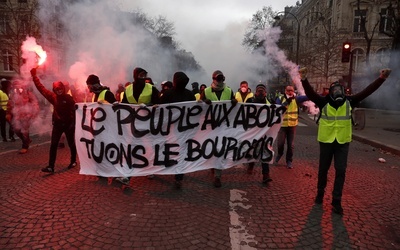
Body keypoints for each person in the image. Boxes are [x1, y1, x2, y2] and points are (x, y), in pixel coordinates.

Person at [299, 67, 391, 215]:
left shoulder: (350, 101)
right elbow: (310, 93)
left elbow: (367, 91)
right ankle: (320, 194)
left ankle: (336, 200)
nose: (337, 92)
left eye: (339, 89)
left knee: (340, 170)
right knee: (323, 169)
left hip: (342, 141)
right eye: (334, 90)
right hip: (326, 141)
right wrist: (304, 79)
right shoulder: (324, 102)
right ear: (330, 91)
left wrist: (381, 78)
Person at [118, 67, 160, 185]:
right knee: (131, 148)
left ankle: (150, 169)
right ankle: (127, 175)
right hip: (133, 123)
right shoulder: (128, 89)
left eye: (145, 75)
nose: (143, 78)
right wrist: (116, 106)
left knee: (150, 147)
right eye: (141, 75)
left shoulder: (151, 88)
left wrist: (148, 105)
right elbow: (125, 104)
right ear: (135, 76)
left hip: (148, 124)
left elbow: (159, 103)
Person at [30, 68, 77, 173]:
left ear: (63, 88)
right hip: (57, 125)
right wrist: (34, 77)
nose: (59, 91)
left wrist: (73, 124)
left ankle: (73, 161)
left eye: (60, 89)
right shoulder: (53, 97)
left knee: (71, 143)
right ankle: (51, 166)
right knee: (53, 145)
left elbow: (75, 110)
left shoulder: (69, 98)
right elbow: (41, 88)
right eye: (56, 89)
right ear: (54, 90)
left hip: (69, 125)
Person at [200, 70, 237, 188]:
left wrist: (235, 102)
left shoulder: (229, 90)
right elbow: (196, 105)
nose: (219, 81)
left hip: (223, 126)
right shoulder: (205, 91)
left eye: (221, 79)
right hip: (210, 126)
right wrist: (203, 102)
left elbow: (235, 105)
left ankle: (217, 176)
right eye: (217, 79)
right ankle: (213, 165)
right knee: (211, 148)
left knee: (220, 150)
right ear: (213, 79)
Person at [160, 72, 196, 189]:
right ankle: (174, 172)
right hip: (171, 128)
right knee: (171, 150)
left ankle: (178, 177)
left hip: (182, 130)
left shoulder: (188, 94)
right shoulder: (169, 94)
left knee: (180, 152)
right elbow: (159, 109)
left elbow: (195, 109)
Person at [274, 85, 308, 169]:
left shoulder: (296, 99)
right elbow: (278, 108)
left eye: (291, 90)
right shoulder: (280, 98)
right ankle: (280, 153)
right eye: (288, 90)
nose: (290, 92)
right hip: (282, 125)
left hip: (292, 125)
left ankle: (289, 160)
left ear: (293, 91)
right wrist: (286, 102)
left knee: (291, 145)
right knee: (280, 143)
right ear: (285, 91)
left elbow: (307, 97)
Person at [245, 84, 273, 183]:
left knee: (265, 151)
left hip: (264, 131)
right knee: (252, 149)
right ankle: (251, 164)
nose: (260, 93)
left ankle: (266, 174)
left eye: (262, 91)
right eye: (259, 91)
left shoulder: (270, 103)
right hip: (253, 131)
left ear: (265, 93)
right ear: (255, 92)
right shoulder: (250, 101)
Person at [6, 81, 39, 154]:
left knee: (24, 130)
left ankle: (25, 146)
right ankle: (27, 140)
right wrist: (8, 113)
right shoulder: (12, 94)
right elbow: (10, 104)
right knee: (16, 130)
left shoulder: (28, 93)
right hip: (17, 115)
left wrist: (34, 113)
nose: (17, 88)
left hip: (27, 115)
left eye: (18, 86)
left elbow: (35, 103)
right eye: (15, 86)